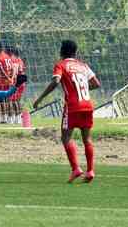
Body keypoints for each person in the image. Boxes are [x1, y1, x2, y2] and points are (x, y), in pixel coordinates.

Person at [33, 40, 101, 183]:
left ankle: (76, 168)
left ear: (62, 52)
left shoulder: (61, 65)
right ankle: (90, 171)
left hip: (72, 107)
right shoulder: (83, 66)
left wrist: (39, 99)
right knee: (87, 139)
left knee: (66, 137)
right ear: (75, 52)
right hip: (88, 105)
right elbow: (96, 84)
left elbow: (56, 81)